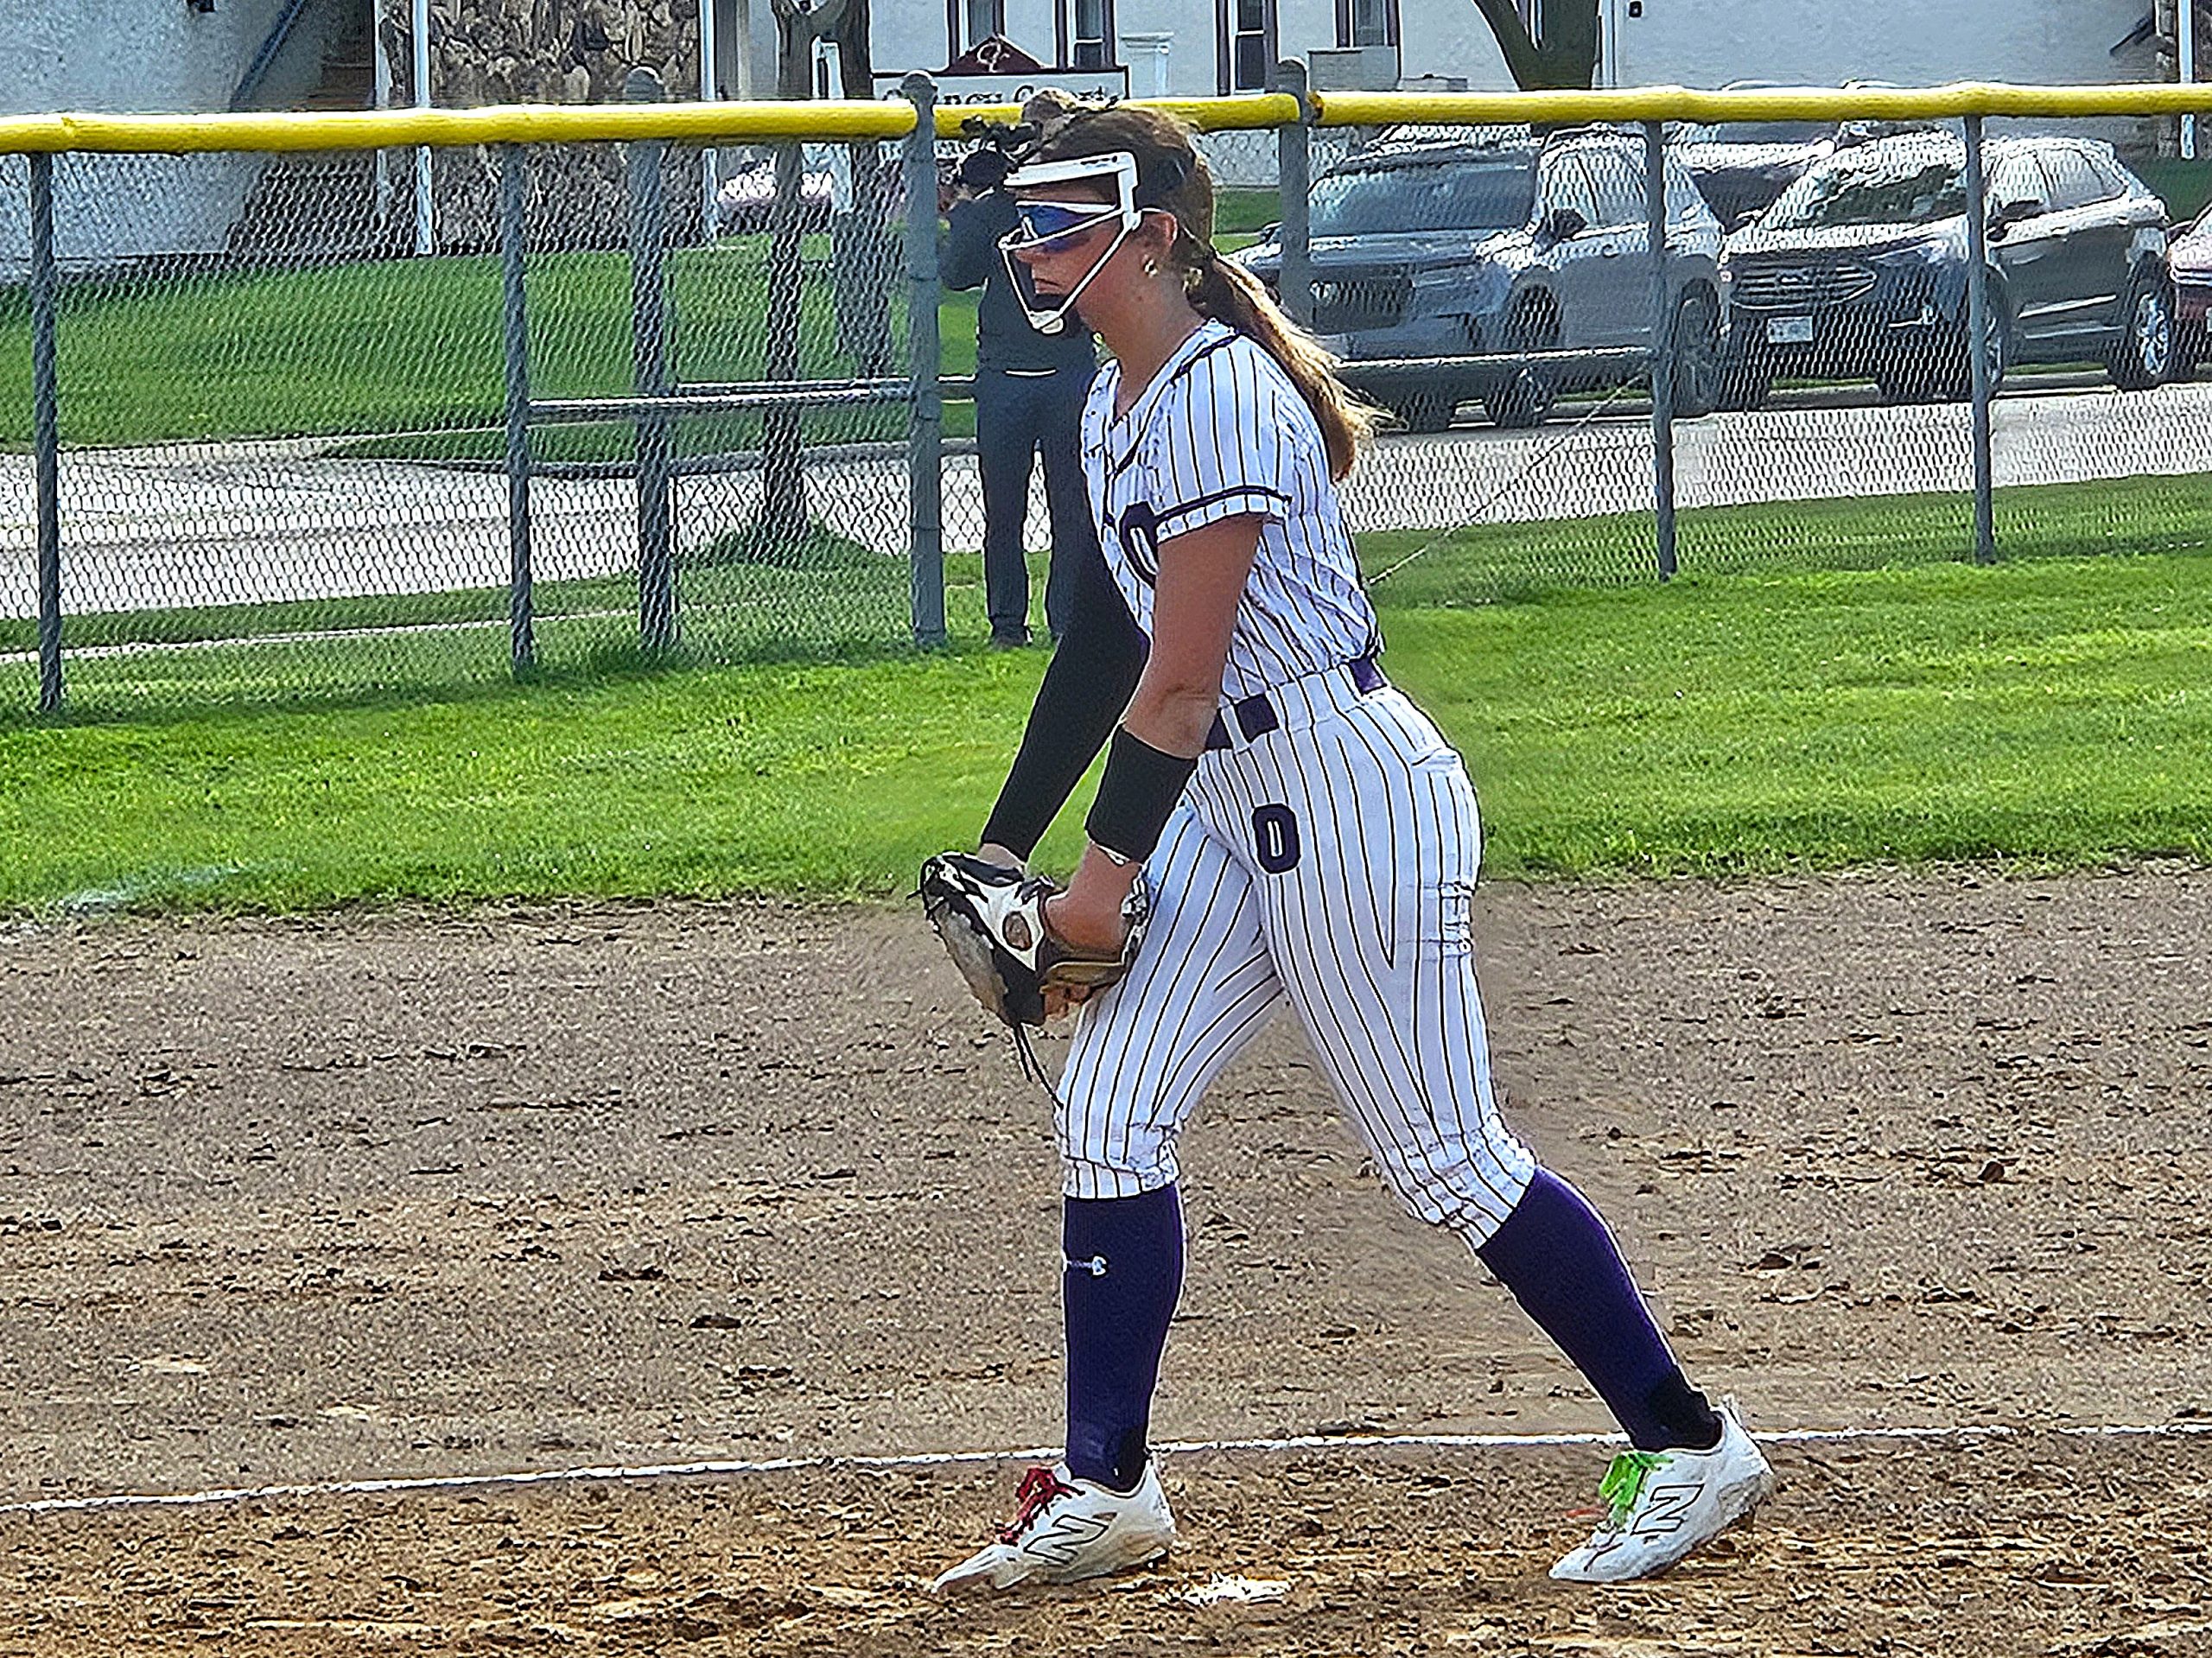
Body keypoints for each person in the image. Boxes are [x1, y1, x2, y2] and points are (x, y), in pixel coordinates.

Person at [928, 104, 1777, 1594]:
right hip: (1234, 793)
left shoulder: (1217, 395)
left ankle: (1690, 1437)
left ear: (1159, 231)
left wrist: (1095, 892)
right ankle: (1108, 1481)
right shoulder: (1113, 402)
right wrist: (1013, 839)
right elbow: (1102, 652)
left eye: (1066, 214)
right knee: (1111, 1102)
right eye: (1029, 216)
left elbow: (1184, 680)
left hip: (1342, 785)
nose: (1032, 241)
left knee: (1445, 1155)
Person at [942, 92, 1103, 648]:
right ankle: (1006, 624)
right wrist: (972, 201)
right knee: (1003, 511)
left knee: (1074, 508)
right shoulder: (998, 208)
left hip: (1070, 374)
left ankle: (1067, 622)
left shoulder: (1077, 206)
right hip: (1005, 379)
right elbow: (955, 271)